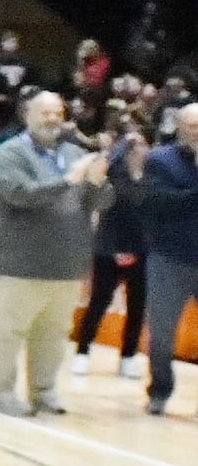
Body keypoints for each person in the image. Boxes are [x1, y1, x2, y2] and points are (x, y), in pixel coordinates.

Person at [0, 89, 101, 415]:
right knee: (6, 334)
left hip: (64, 266)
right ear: (25, 115)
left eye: (57, 112)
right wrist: (68, 180)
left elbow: (99, 203)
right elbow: (22, 195)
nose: (52, 118)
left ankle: (44, 392)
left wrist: (100, 183)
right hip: (15, 265)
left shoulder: (75, 153)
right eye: (44, 112)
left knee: (53, 336)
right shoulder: (9, 155)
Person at [125, 97, 198, 416]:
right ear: (179, 127)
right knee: (162, 333)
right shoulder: (160, 160)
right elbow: (160, 204)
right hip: (170, 258)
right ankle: (159, 390)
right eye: (193, 125)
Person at [76, 108, 150, 381]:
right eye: (133, 144)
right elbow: (104, 208)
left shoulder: (153, 178)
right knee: (99, 301)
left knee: (137, 306)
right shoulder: (113, 177)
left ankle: (129, 356)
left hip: (142, 250)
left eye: (142, 143)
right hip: (110, 247)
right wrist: (118, 249)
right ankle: (83, 351)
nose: (139, 148)